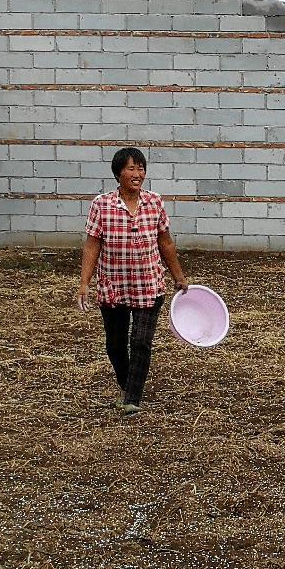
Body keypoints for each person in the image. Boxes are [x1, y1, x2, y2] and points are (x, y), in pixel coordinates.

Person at [77, 147, 189, 416]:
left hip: (148, 283)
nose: (138, 174)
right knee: (115, 344)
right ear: (118, 173)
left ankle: (132, 398)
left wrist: (179, 276)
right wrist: (84, 282)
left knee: (140, 342)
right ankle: (127, 385)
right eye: (131, 169)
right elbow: (92, 245)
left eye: (141, 169)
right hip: (113, 285)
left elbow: (165, 241)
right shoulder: (102, 205)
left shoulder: (154, 202)